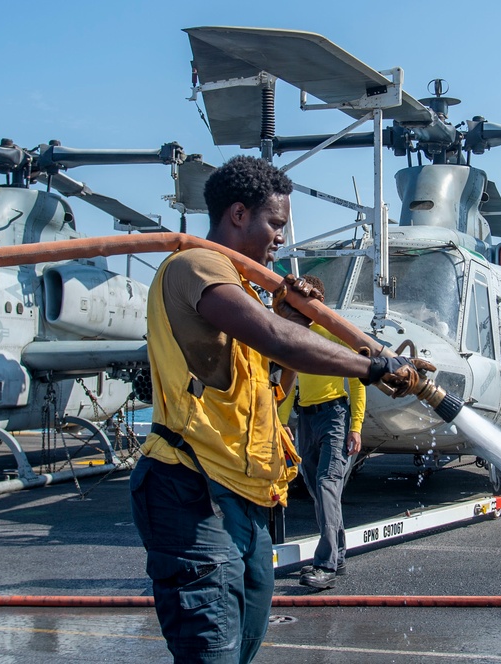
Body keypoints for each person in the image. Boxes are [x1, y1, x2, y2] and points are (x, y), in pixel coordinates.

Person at [129, 154, 433, 664]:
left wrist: (287, 315)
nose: (279, 237)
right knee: (212, 654)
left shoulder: (245, 289)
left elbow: (265, 385)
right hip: (191, 487)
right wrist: (373, 364)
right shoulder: (196, 264)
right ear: (239, 214)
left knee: (242, 647)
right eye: (274, 223)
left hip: (245, 497)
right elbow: (276, 340)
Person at [276, 275, 365, 590]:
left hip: (334, 416)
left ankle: (325, 564)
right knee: (317, 489)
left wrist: (355, 427)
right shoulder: (295, 334)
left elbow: (356, 380)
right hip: (307, 419)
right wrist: (283, 422)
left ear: (318, 302)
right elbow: (289, 383)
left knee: (327, 484)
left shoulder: (334, 331)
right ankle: (338, 556)